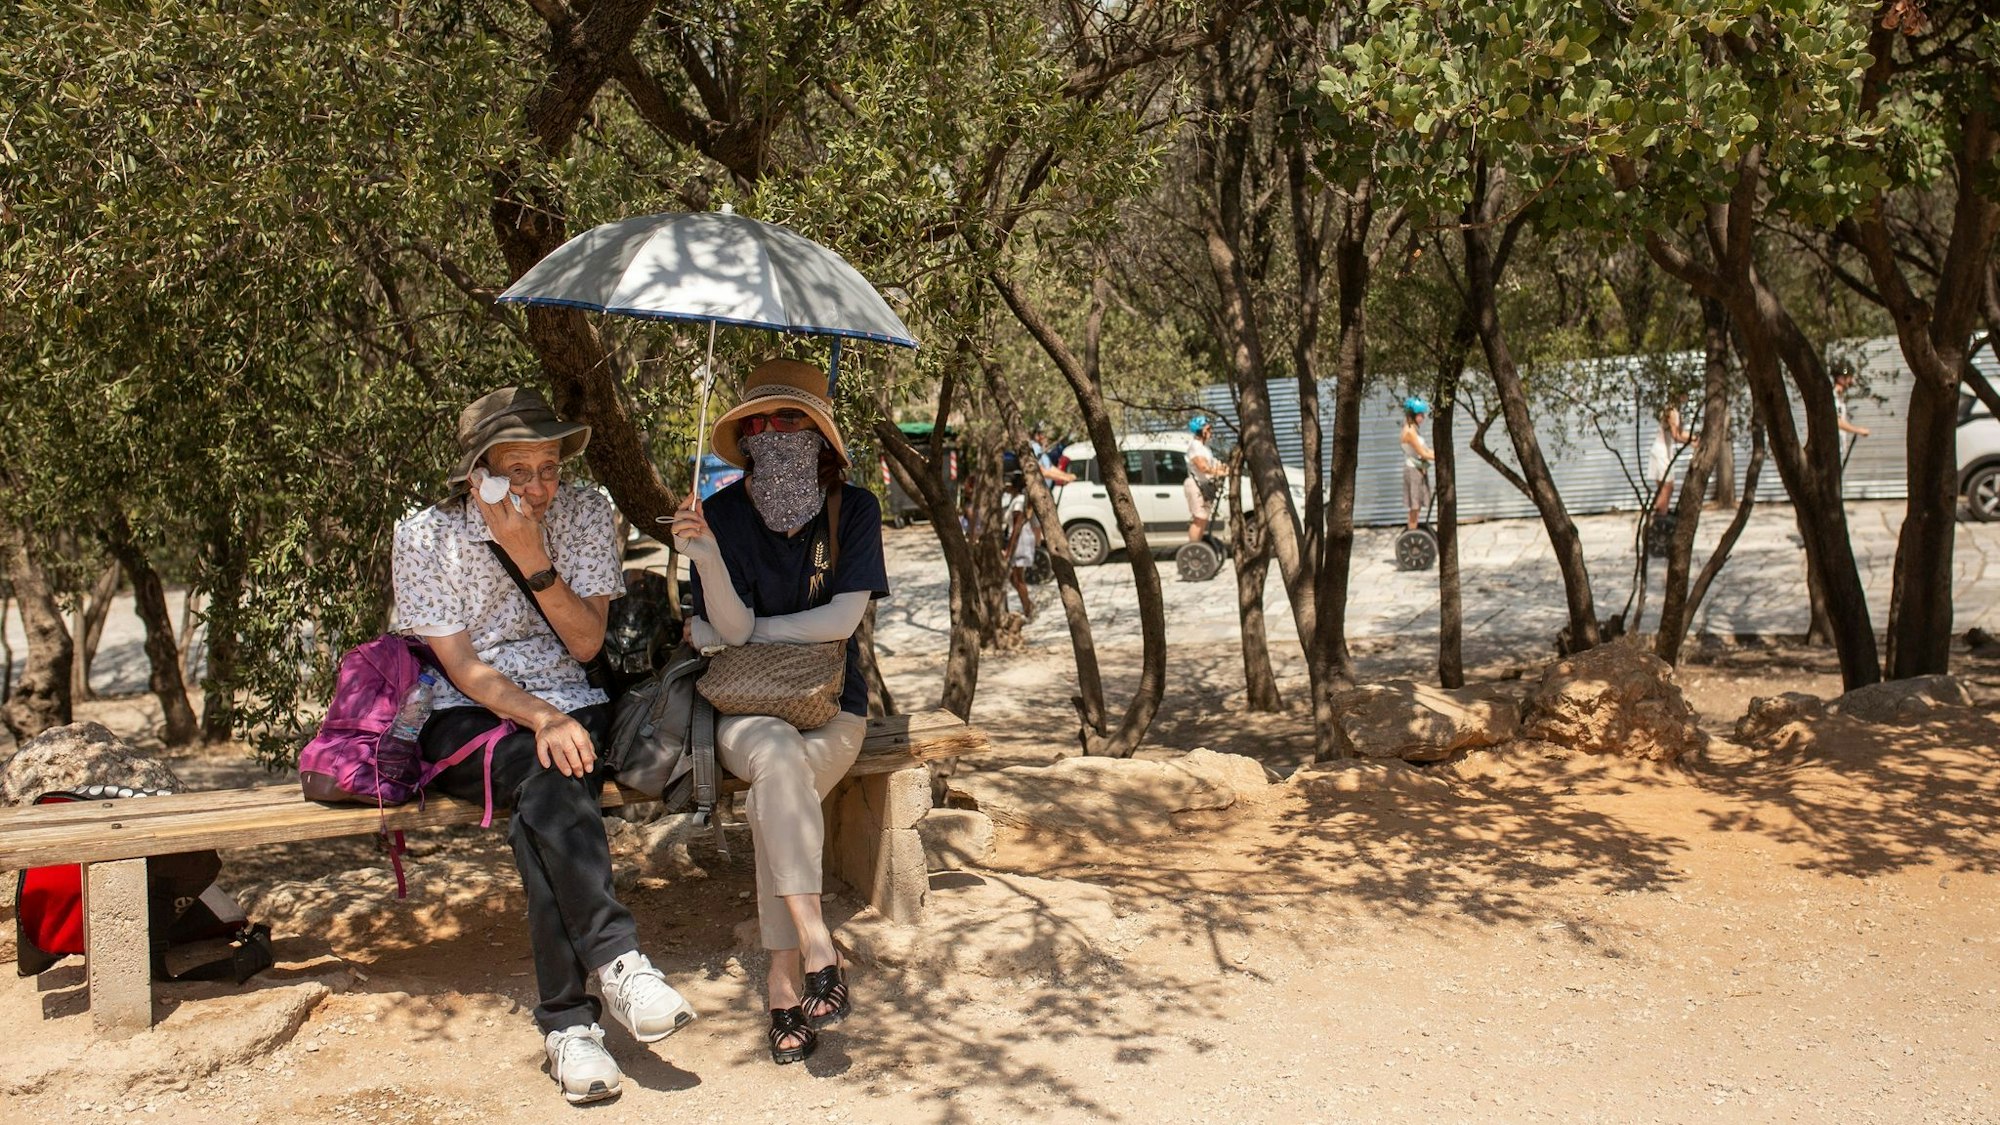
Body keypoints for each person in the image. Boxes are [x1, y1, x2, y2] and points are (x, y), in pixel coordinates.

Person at [392, 387, 695, 1107]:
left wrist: (532, 557)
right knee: (551, 765)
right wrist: (540, 717)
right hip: (469, 713)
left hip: (575, 697)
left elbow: (588, 640)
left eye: (549, 466)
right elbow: (462, 667)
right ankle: (618, 959)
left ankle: (569, 1027)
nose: (536, 486)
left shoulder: (586, 514)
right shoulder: (424, 536)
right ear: (478, 474)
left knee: (547, 795)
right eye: (516, 469)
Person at [669, 358, 890, 1067]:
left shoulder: (853, 508)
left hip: (833, 710)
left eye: (789, 418)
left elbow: (842, 619)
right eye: (758, 422)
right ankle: (816, 944)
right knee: (776, 759)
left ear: (820, 433)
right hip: (746, 709)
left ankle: (785, 978)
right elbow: (727, 628)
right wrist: (704, 556)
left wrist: (745, 629)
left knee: (780, 782)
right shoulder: (723, 514)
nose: (773, 432)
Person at [1649, 392, 1699, 516]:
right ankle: (1660, 518)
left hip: (1664, 450)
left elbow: (1680, 432)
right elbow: (1676, 435)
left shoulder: (1674, 410)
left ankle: (1660, 517)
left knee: (1665, 488)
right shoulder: (1672, 411)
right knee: (1667, 487)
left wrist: (1694, 439)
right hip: (1662, 452)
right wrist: (1692, 441)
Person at [1184, 416, 1227, 544]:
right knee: (1199, 518)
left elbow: (1213, 465)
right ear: (1200, 431)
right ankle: (1193, 547)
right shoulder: (1195, 446)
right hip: (1196, 485)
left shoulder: (1204, 447)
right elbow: (1203, 467)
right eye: (1208, 429)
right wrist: (1220, 472)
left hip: (1205, 485)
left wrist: (1223, 468)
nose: (1210, 432)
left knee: (1203, 519)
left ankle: (1198, 545)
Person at [1004, 472, 1039, 623]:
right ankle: (1028, 605)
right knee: (1014, 578)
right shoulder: (1015, 499)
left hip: (1020, 541)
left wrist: (1009, 550)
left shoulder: (1018, 502)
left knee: (1018, 578)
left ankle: (1028, 610)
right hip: (1019, 539)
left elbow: (1017, 528)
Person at [1400, 397, 1436, 531]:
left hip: (1418, 469)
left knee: (1418, 506)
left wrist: (1440, 453)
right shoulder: (1409, 431)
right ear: (1413, 415)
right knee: (1415, 506)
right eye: (1421, 415)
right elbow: (1423, 453)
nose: (1423, 417)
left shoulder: (1413, 429)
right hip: (1413, 471)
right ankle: (1412, 534)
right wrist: (1441, 458)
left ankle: (1413, 532)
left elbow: (1426, 450)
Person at [1834, 365, 1871, 438]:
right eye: (1848, 377)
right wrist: (1858, 430)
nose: (1851, 380)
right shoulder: (1834, 397)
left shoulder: (1840, 398)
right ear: (1840, 379)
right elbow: (1836, 422)